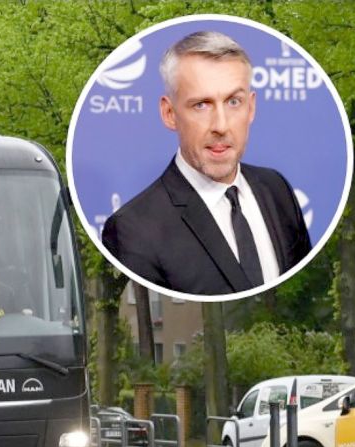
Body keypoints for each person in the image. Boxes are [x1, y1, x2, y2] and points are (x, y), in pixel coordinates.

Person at [101, 31, 311, 295]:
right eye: (201, 105)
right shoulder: (134, 229)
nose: (221, 126)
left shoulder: (277, 189)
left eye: (234, 102)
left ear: (251, 108)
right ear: (169, 114)